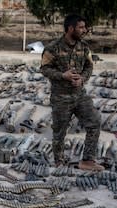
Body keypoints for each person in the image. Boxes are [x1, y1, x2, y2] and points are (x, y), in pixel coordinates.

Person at [40, 14, 104, 172]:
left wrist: (82, 79)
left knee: (94, 122)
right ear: (70, 28)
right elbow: (44, 69)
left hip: (80, 95)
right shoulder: (52, 48)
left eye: (84, 27)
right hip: (61, 98)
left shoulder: (84, 46)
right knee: (60, 132)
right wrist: (63, 76)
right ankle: (59, 163)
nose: (84, 30)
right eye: (81, 27)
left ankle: (87, 160)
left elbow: (89, 66)